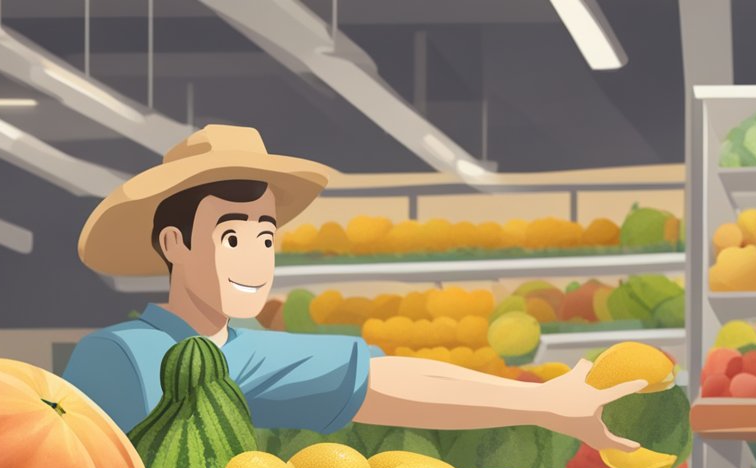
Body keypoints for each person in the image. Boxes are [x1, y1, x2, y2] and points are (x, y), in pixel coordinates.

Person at [64, 125, 642, 450]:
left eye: (266, 238)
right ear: (173, 244)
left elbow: (387, 380)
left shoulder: (250, 351)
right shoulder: (117, 357)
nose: (255, 258)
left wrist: (543, 403)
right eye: (230, 237)